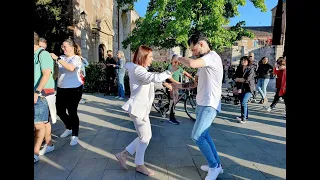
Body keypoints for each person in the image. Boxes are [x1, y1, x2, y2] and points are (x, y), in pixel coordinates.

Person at [115, 45, 177, 176]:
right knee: (145, 138)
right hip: (138, 109)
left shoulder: (141, 69)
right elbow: (151, 78)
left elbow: (150, 79)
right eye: (150, 56)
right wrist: (170, 70)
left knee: (144, 137)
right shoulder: (138, 70)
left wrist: (164, 83)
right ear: (143, 57)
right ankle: (139, 164)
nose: (152, 59)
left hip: (140, 109)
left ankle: (124, 154)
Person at [175, 33, 224, 180]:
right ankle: (217, 165)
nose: (192, 52)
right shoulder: (204, 62)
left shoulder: (212, 57)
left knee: (197, 136)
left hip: (210, 104)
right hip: (202, 103)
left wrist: (177, 57)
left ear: (201, 43)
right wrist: (177, 85)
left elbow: (191, 63)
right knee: (205, 135)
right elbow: (195, 83)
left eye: (193, 49)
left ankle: (214, 167)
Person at [50, 38, 83, 146]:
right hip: (61, 88)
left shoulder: (76, 58)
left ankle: (75, 135)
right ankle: (69, 127)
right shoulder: (62, 57)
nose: (63, 48)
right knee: (60, 111)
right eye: (62, 47)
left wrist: (58, 59)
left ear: (72, 47)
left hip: (74, 89)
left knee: (72, 111)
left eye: (65, 46)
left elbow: (70, 68)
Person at [34, 32, 55, 163]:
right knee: (44, 123)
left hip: (41, 95)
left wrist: (36, 92)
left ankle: (35, 153)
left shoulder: (43, 54)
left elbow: (46, 74)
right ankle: (49, 144)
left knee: (39, 125)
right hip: (38, 94)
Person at [163, 54, 194, 125]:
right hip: (170, 86)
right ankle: (171, 118)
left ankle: (164, 108)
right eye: (177, 60)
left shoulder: (179, 67)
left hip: (176, 86)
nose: (179, 62)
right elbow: (169, 77)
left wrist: (192, 78)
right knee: (173, 101)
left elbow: (185, 73)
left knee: (174, 101)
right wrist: (178, 83)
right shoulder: (170, 66)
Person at [234, 56, 256, 124]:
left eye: (245, 60)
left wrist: (238, 79)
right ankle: (244, 116)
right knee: (242, 102)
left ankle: (243, 119)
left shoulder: (251, 69)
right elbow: (234, 77)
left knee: (244, 102)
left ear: (248, 61)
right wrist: (237, 85)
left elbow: (247, 79)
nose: (243, 62)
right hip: (241, 87)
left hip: (249, 87)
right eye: (242, 60)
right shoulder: (239, 68)